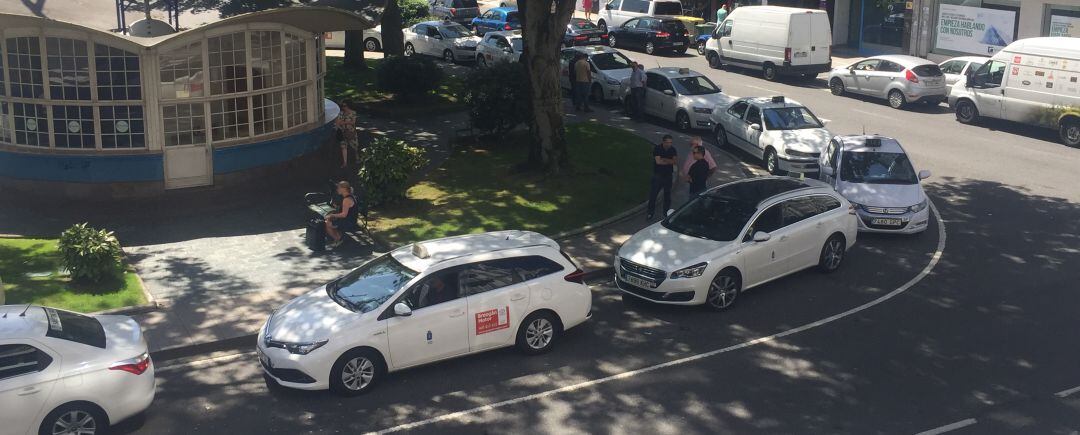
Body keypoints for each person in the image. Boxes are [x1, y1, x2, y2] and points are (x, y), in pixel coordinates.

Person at [647, 135, 678, 220]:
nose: (669, 144)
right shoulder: (658, 148)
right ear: (663, 142)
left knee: (667, 195)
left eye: (670, 142)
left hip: (668, 175)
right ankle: (650, 213)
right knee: (653, 195)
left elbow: (675, 161)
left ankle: (666, 212)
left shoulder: (673, 150)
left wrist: (664, 159)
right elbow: (658, 162)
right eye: (667, 142)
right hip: (658, 175)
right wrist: (669, 161)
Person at [324, 181, 359, 249]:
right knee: (330, 219)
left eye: (338, 188)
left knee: (327, 223)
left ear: (344, 189)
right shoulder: (349, 196)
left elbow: (344, 215)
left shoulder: (346, 199)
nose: (337, 189)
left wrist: (332, 215)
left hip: (349, 222)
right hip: (350, 219)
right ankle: (339, 236)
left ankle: (338, 239)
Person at [334, 100, 358, 169]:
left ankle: (357, 157)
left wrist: (343, 122)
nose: (344, 107)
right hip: (342, 132)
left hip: (351, 132)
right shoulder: (341, 113)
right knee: (343, 147)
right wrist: (346, 122)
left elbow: (353, 122)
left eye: (345, 106)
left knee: (355, 146)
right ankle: (345, 163)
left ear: (348, 106)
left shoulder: (353, 113)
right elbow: (337, 122)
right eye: (343, 106)